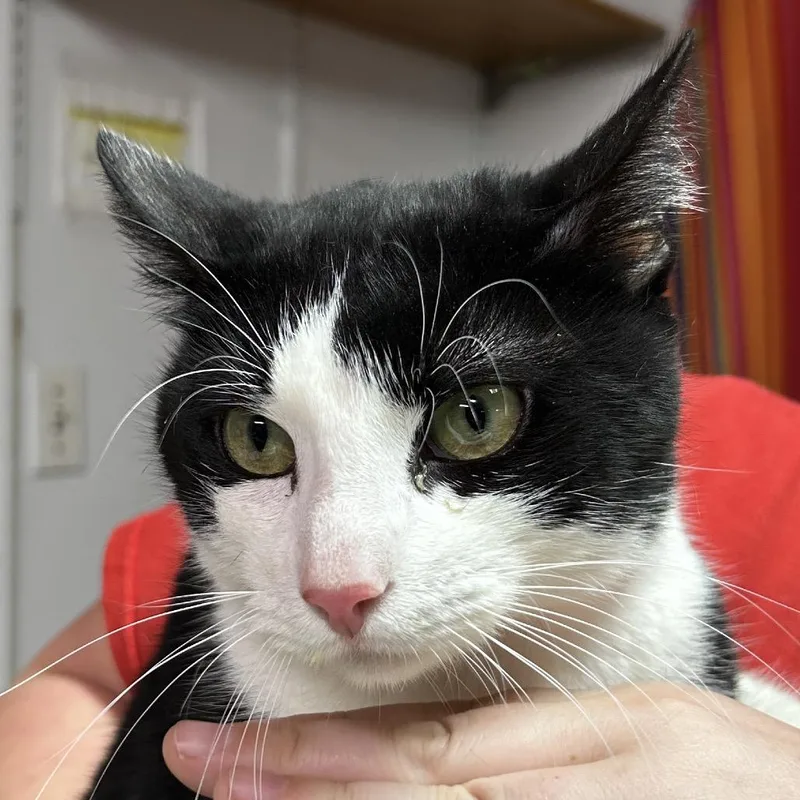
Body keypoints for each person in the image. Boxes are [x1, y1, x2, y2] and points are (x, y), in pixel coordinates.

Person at [3, 373, 800, 799]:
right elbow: (71, 677)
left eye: (473, 417)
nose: (335, 580)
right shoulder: (242, 575)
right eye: (260, 443)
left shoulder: (763, 458)